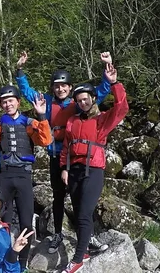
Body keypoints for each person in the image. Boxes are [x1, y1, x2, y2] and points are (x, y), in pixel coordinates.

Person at [15, 51, 113, 255]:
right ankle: (58, 234)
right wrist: (20, 71)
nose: (60, 89)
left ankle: (88, 237)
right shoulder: (47, 101)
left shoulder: (77, 104)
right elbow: (27, 92)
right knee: (58, 197)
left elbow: (99, 93)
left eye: (64, 86)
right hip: (56, 158)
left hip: (76, 159)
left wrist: (107, 71)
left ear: (70, 87)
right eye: (57, 86)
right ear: (53, 88)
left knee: (83, 200)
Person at [59, 63, 128, 273]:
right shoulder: (72, 120)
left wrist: (114, 82)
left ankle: (78, 259)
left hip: (93, 171)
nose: (83, 102)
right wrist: (64, 168)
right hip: (75, 171)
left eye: (85, 99)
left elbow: (122, 107)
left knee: (83, 214)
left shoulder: (102, 120)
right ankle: (88, 247)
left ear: (92, 98)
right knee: (81, 212)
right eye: (79, 100)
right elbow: (66, 146)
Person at [0, 85, 52, 271]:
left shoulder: (28, 122)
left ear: (18, 102)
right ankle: (2, 259)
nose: (7, 104)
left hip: (23, 175)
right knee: (2, 220)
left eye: (11, 100)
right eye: (4, 101)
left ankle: (21, 263)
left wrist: (42, 116)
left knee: (26, 222)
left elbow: (45, 140)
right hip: (3, 175)